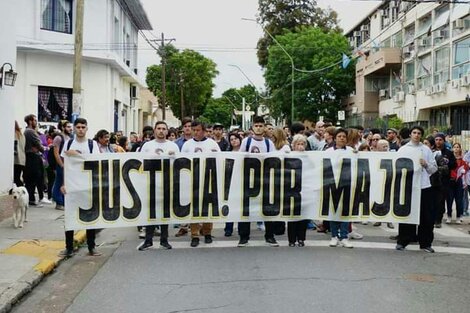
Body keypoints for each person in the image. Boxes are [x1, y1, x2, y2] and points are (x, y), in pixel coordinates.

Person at [60, 118, 101, 257]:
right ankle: (69, 248)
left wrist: (77, 154)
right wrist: (63, 184)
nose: (81, 129)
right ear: (74, 128)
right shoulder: (68, 143)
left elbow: (95, 163)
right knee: (70, 217)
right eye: (78, 127)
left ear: (87, 128)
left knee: (90, 217)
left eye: (83, 127)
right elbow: (65, 165)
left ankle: (91, 246)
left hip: (87, 185)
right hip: (72, 185)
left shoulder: (92, 144)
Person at [237, 116, 278, 247]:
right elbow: (240, 159)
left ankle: (270, 236)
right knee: (245, 209)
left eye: (261, 126)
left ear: (264, 127)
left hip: (265, 181)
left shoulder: (268, 143)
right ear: (252, 127)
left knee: (268, 208)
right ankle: (244, 237)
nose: (259, 128)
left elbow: (274, 160)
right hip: (248, 180)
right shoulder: (246, 142)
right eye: (256, 126)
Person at [138, 121, 178, 251]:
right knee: (151, 213)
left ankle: (164, 240)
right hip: (151, 183)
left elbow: (179, 164)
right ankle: (148, 240)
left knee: (165, 212)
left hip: (167, 183)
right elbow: (140, 163)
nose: (161, 131)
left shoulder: (173, 146)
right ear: (154, 130)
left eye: (163, 129)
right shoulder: (147, 146)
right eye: (159, 128)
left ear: (167, 131)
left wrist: (173, 157)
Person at [396, 126, 437, 253]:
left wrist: (426, 164)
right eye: (414, 132)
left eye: (419, 133)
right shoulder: (403, 149)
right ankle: (403, 240)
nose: (416, 135)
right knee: (407, 214)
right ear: (410, 134)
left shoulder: (426, 150)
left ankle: (425, 243)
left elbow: (434, 169)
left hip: (424, 186)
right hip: (409, 186)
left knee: (426, 216)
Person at [181, 121, 220, 247]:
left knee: (208, 208)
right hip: (193, 181)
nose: (195, 132)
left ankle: (207, 233)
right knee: (195, 209)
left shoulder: (212, 143)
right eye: (193, 130)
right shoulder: (187, 145)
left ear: (203, 131)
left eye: (198, 130)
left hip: (208, 180)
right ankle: (194, 234)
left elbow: (219, 160)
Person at [326, 128, 353, 248]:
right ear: (335, 138)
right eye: (339, 136)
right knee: (334, 210)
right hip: (332, 183)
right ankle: (334, 236)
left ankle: (344, 236)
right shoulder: (328, 151)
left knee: (345, 211)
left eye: (344, 136)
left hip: (347, 183)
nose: (342, 138)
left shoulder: (352, 151)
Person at [287, 134, 309, 247]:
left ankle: (301, 238)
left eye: (302, 144)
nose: (300, 146)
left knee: (303, 215)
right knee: (292, 215)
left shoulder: (309, 157)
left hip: (304, 190)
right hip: (292, 190)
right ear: (293, 146)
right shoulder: (289, 156)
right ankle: (291, 239)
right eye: (298, 144)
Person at [23, 114, 47, 206]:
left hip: (31, 156)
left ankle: (31, 199)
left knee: (31, 179)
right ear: (30, 121)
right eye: (35, 120)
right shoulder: (30, 132)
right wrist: (44, 148)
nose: (36, 122)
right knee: (34, 178)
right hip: (33, 157)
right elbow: (39, 145)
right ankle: (31, 199)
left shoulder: (28, 131)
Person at [433, 133, 455, 227]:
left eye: (440, 140)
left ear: (443, 141)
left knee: (441, 201)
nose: (438, 141)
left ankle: (438, 220)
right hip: (432, 180)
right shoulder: (431, 151)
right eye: (436, 139)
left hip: (444, 181)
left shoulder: (448, 153)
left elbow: (454, 165)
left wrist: (446, 165)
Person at [223, 132, 242, 237]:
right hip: (230, 181)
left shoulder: (245, 151)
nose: (234, 141)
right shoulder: (227, 153)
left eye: (236, 138)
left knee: (240, 207)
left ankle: (240, 227)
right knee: (229, 206)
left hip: (241, 181)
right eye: (231, 139)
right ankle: (228, 228)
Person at [51, 120, 72, 211]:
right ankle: (58, 202)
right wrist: (61, 165)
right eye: (68, 126)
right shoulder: (58, 138)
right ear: (62, 127)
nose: (70, 128)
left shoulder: (70, 137)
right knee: (59, 182)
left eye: (70, 126)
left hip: (69, 164)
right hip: (61, 164)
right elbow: (56, 153)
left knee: (66, 183)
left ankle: (63, 202)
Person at [446, 143, 468, 224]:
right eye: (454, 147)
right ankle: (449, 216)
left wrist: (464, 172)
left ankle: (459, 216)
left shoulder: (462, 160)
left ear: (460, 149)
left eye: (457, 147)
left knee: (459, 200)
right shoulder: (450, 159)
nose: (456, 149)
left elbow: (466, 169)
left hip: (459, 181)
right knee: (449, 200)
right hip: (450, 181)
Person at [14, 121, 26, 187]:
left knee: (16, 179)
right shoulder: (21, 135)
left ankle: (23, 191)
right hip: (22, 160)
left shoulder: (13, 134)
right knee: (17, 178)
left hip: (16, 160)